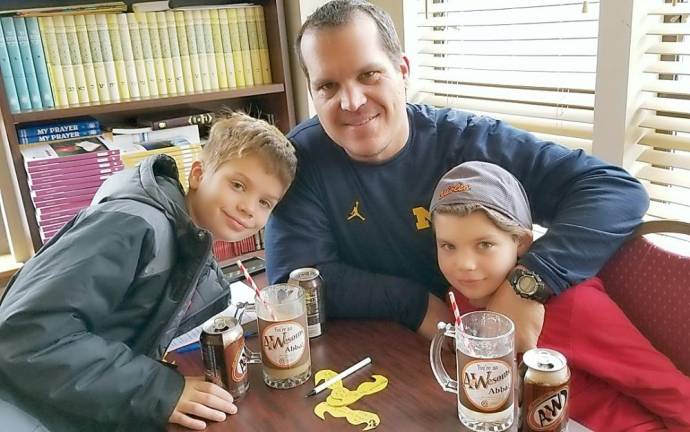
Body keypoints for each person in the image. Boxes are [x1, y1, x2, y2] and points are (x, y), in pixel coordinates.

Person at [265, 0, 649, 351]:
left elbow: (615, 190)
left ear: (402, 71)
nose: (351, 102)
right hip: (377, 352)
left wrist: (528, 284)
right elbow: (296, 281)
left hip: (494, 352)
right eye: (327, 86)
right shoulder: (300, 158)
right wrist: (413, 303)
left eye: (369, 74)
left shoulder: (471, 142)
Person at [0, 112, 297, 432]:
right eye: (238, 185)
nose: (249, 208)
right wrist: (159, 391)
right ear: (198, 174)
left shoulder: (187, 240)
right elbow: (25, 335)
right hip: (28, 409)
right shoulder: (132, 224)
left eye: (265, 202)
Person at [429, 161, 690, 431]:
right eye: (448, 246)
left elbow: (674, 393)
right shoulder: (458, 299)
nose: (465, 265)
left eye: (485, 244)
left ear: (521, 242)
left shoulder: (575, 305)